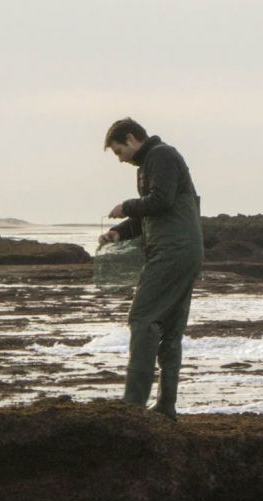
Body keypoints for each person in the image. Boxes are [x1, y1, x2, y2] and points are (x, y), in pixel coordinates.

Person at [98, 118, 203, 419]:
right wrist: (119, 231)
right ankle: (166, 407)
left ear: (131, 139)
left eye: (119, 151)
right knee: (170, 329)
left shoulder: (161, 156)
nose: (120, 159)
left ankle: (133, 405)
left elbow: (160, 200)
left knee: (142, 318)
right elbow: (151, 215)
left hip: (172, 252)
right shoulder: (151, 163)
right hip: (183, 251)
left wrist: (127, 205)